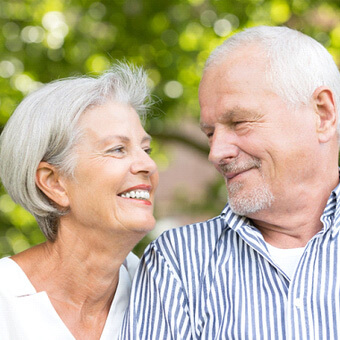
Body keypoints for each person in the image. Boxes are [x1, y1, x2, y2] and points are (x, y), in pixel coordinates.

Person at [120, 26, 340, 339]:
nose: (216, 153)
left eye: (239, 122)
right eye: (210, 134)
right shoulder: (178, 263)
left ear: (323, 114)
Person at [0, 62, 158, 339]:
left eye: (146, 149)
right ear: (54, 183)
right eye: (118, 149)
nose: (148, 164)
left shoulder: (165, 293)